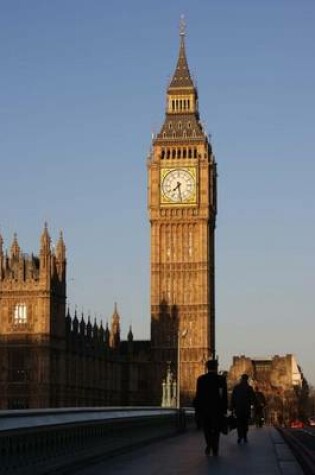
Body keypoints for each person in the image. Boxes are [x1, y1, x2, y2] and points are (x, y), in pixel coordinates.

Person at [194, 359, 228, 456]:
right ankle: (215, 447)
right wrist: (224, 409)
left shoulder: (201, 379)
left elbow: (198, 395)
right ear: (216, 367)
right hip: (217, 409)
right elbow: (223, 395)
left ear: (207, 367)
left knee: (207, 428)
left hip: (205, 409)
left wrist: (198, 409)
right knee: (216, 429)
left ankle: (209, 444)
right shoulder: (221, 379)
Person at [231, 374, 257, 444]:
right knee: (245, 422)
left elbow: (233, 398)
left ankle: (240, 436)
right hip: (246, 408)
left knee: (239, 422)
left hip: (238, 408)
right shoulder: (249, 388)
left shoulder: (236, 387)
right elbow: (253, 398)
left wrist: (232, 407)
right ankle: (245, 436)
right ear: (247, 379)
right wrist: (253, 404)